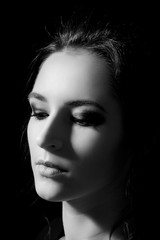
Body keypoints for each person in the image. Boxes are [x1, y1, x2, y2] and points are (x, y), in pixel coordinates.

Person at [21, 10, 154, 240]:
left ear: (135, 134)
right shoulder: (48, 234)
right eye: (40, 113)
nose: (44, 138)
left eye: (82, 118)